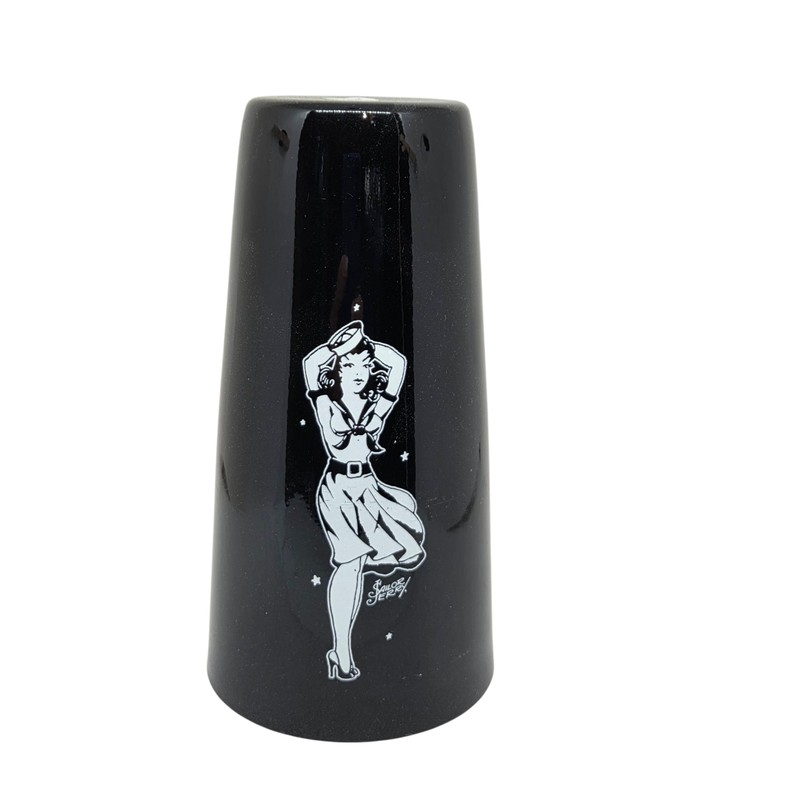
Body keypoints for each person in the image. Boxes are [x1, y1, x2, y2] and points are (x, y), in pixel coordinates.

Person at [302, 321, 426, 681]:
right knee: (350, 564)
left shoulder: (376, 405)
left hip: (367, 486)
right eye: (349, 365)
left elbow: (398, 363)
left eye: (365, 365)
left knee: (397, 528)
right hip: (337, 488)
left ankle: (341, 649)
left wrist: (364, 343)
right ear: (337, 369)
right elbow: (310, 363)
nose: (358, 372)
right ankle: (340, 648)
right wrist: (339, 347)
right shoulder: (325, 402)